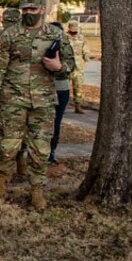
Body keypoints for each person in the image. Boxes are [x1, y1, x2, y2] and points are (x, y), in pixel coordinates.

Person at [0, 0, 74, 210]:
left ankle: (37, 191)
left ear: (42, 9)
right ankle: (0, 183)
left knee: (41, 147)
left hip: (43, 100)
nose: (28, 13)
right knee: (8, 144)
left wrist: (58, 67)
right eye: (25, 9)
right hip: (13, 99)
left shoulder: (56, 35)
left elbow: (70, 66)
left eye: (32, 9)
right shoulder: (10, 35)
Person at [48, 22, 71, 164]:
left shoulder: (64, 46)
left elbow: (71, 65)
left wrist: (59, 66)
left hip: (60, 88)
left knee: (55, 122)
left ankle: (51, 151)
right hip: (41, 89)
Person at [66, 22, 90, 112]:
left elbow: (86, 49)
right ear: (69, 28)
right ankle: (62, 105)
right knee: (64, 87)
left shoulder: (81, 38)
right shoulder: (64, 37)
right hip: (66, 66)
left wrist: (87, 59)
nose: (74, 30)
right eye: (72, 28)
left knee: (78, 87)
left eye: (75, 28)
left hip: (78, 67)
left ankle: (78, 105)